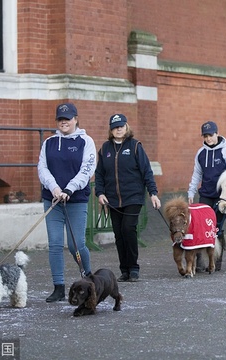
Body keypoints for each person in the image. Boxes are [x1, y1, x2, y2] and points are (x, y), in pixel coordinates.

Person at [38, 102, 96, 302]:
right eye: (61, 119)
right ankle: (58, 286)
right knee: (54, 244)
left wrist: (70, 188)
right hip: (52, 201)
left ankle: (88, 277)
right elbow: (42, 168)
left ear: (76, 119)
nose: (64, 122)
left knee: (76, 244)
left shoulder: (85, 141)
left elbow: (87, 169)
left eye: (68, 118)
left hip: (76, 200)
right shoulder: (49, 143)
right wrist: (54, 188)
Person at [95, 114, 161, 282]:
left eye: (121, 126)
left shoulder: (135, 146)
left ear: (126, 127)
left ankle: (133, 268)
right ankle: (124, 270)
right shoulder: (105, 149)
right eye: (115, 126)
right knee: (118, 234)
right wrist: (100, 193)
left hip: (133, 197)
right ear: (111, 129)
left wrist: (153, 193)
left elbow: (147, 171)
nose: (118, 129)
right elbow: (100, 174)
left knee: (128, 229)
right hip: (113, 200)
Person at [188, 121, 226, 271]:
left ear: (217, 134)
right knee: (200, 227)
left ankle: (216, 262)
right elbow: (197, 173)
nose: (208, 138)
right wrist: (191, 191)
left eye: (211, 135)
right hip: (205, 195)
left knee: (217, 228)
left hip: (221, 197)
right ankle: (200, 263)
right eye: (205, 136)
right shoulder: (201, 153)